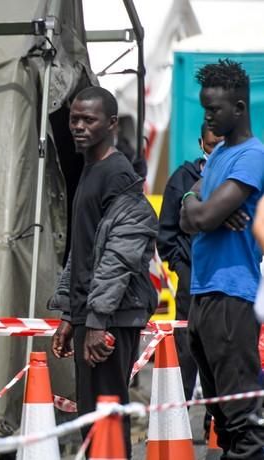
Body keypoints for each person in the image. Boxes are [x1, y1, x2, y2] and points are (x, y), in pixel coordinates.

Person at [48, 86, 158, 455]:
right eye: (73, 118)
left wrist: (96, 320)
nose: (78, 126)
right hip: (91, 316)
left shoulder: (117, 174)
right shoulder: (89, 169)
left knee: (107, 418)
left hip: (111, 318)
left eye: (88, 119)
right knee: (93, 417)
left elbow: (119, 254)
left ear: (111, 123)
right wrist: (70, 314)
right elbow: (82, 251)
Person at [180, 58, 264, 459]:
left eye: (214, 109)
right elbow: (189, 212)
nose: (208, 117)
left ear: (240, 108)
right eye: (205, 108)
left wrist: (203, 210)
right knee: (220, 419)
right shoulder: (217, 157)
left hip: (232, 295)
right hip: (203, 295)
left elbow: (205, 215)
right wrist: (195, 204)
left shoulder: (252, 156)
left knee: (243, 422)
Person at [157, 122, 223, 402]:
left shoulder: (240, 177)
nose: (216, 151)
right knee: (185, 347)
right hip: (191, 278)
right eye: (210, 146)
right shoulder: (182, 179)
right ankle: (177, 412)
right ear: (200, 144)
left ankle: (218, 422)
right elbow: (166, 233)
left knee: (223, 350)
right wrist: (182, 269)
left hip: (226, 278)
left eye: (222, 145)